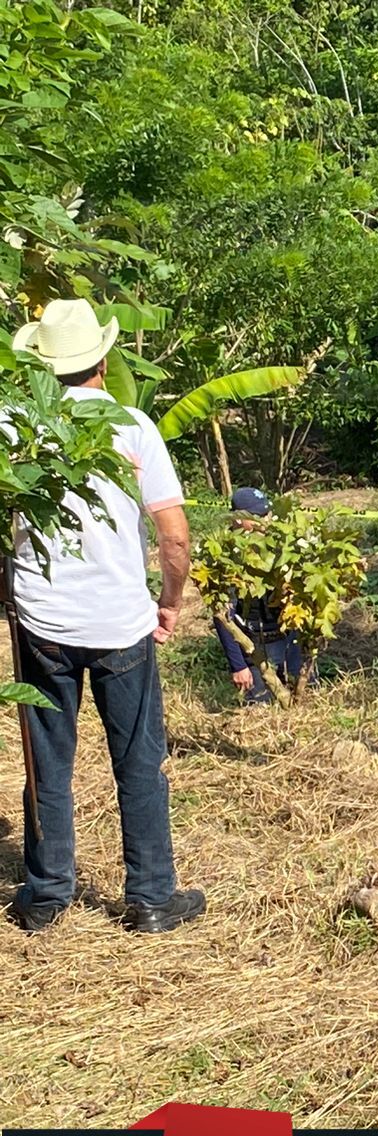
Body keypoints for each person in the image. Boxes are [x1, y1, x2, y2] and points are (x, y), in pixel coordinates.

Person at [5, 298, 206, 933]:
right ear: (102, 357)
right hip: (122, 622)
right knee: (139, 761)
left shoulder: (13, 426)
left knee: (47, 757)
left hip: (42, 622)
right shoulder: (132, 427)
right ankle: (150, 897)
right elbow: (173, 535)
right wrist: (169, 602)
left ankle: (45, 894)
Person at [211, 486, 308, 704]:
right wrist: (238, 665)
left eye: (267, 513)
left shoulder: (284, 543)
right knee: (260, 708)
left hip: (290, 640)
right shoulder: (228, 558)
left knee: (307, 699)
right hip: (256, 648)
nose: (266, 520)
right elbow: (223, 615)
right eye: (257, 516)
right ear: (237, 519)